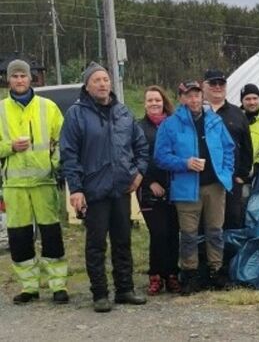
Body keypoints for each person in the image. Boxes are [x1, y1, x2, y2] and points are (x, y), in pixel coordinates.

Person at [60, 62, 149, 312]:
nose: (103, 84)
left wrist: (139, 173)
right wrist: (76, 188)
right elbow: (69, 154)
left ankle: (125, 289)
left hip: (121, 190)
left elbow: (141, 147)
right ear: (87, 86)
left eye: (106, 79)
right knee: (96, 244)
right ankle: (100, 294)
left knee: (123, 241)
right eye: (97, 80)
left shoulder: (123, 113)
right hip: (94, 191)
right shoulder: (76, 114)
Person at [154, 81, 234, 295]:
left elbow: (229, 148)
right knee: (188, 234)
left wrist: (226, 172)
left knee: (215, 231)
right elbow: (160, 157)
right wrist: (184, 163)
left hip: (215, 186)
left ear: (202, 96)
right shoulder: (170, 125)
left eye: (197, 95)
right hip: (186, 187)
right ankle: (190, 275)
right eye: (189, 96)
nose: (194, 100)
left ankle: (216, 271)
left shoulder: (215, 121)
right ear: (181, 98)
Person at [0, 59, 68, 304]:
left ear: (31, 79)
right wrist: (9, 147)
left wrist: (53, 165)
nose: (19, 80)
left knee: (51, 235)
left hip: (44, 183)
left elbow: (63, 140)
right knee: (19, 237)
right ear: (9, 80)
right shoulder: (0, 109)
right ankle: (29, 286)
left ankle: (58, 285)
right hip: (14, 186)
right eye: (15, 76)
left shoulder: (48, 107)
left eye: (23, 75)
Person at [137, 85, 181, 295]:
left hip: (175, 187)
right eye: (150, 100)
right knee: (158, 232)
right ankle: (155, 275)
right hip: (149, 189)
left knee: (173, 232)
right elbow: (134, 158)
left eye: (157, 100)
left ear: (164, 102)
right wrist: (148, 182)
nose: (154, 103)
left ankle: (172, 274)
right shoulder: (138, 128)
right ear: (144, 104)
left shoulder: (175, 124)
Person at [202, 69, 252, 230]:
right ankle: (206, 256)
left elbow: (246, 147)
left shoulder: (238, 114)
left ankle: (230, 256)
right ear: (204, 86)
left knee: (232, 220)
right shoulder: (196, 113)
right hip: (203, 181)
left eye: (221, 83)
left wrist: (241, 175)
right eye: (213, 83)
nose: (217, 87)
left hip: (231, 182)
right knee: (205, 225)